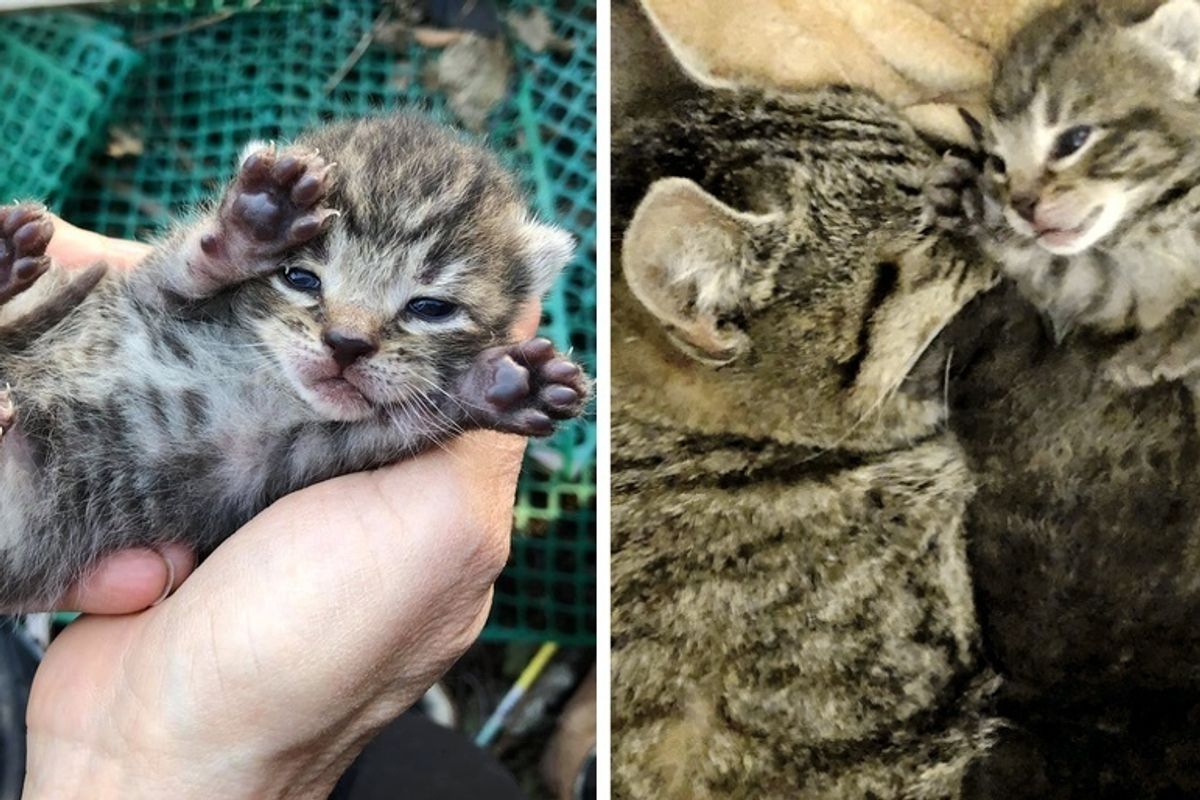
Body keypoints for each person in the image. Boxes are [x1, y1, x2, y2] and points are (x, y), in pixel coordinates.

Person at [18, 217, 533, 798]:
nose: (348, 334)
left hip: (49, 502)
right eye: (303, 277)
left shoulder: (279, 439)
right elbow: (151, 296)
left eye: (430, 308)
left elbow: (283, 452)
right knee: (450, 777)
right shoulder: (237, 324)